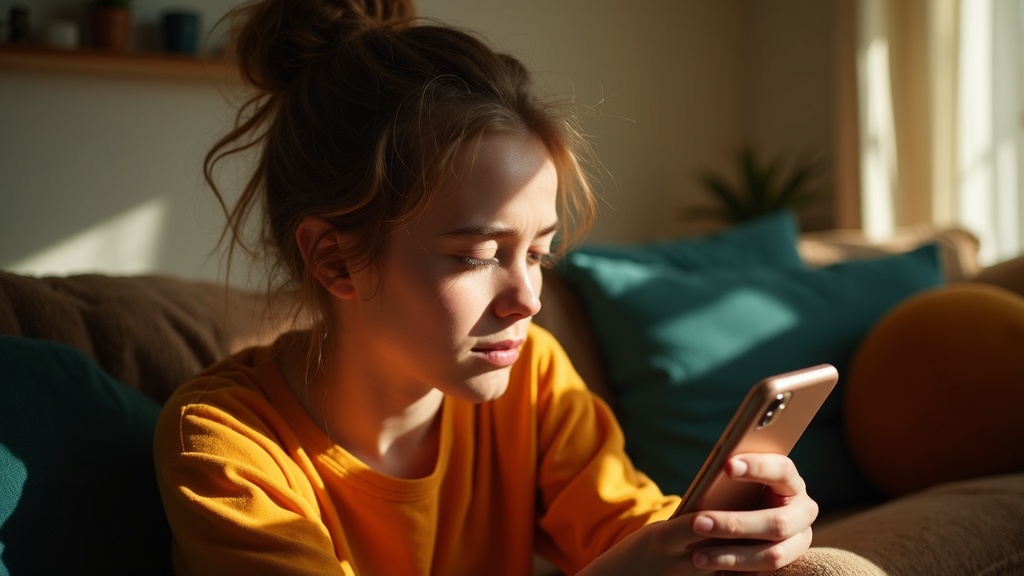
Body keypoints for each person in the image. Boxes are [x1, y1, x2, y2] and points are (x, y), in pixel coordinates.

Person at [153, 0, 819, 574]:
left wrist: (726, 533)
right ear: (335, 261)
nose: (527, 300)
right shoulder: (224, 448)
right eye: (476, 256)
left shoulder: (532, 379)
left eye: (539, 253)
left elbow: (631, 529)